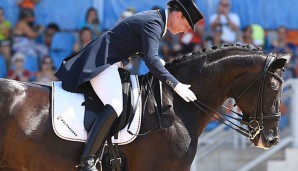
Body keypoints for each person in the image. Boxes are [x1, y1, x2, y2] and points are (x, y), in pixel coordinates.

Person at [55, 0, 203, 170]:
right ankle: (87, 161)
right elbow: (151, 61)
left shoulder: (156, 20)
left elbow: (132, 42)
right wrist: (176, 85)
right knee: (116, 105)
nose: (185, 30)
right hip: (102, 63)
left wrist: (151, 58)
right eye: (186, 25)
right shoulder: (154, 23)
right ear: (178, 16)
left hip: (110, 61)